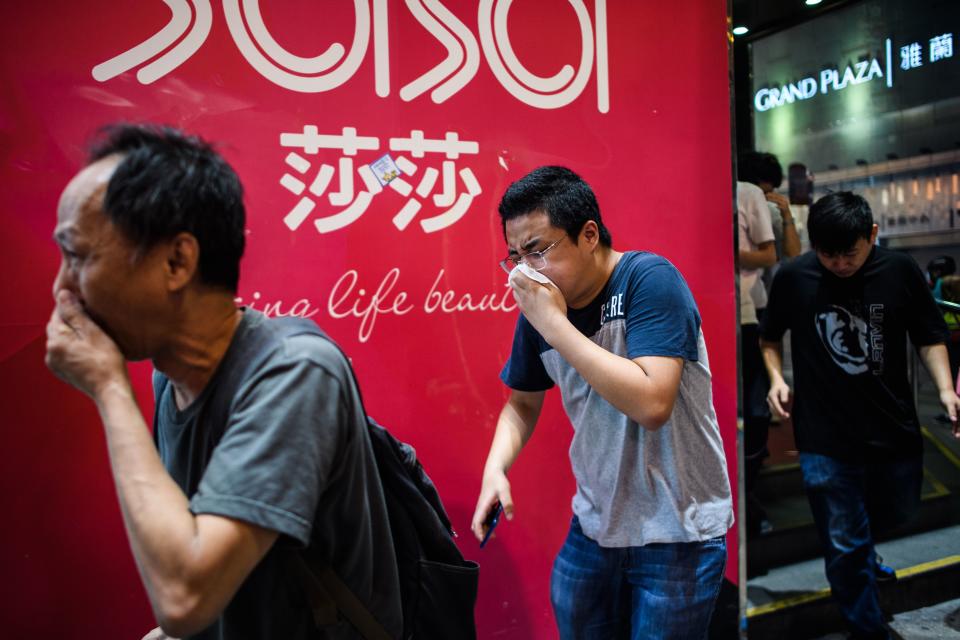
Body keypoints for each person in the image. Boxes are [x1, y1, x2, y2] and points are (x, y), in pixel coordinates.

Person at [44, 124, 402, 640]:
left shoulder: (295, 371)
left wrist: (108, 386)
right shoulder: (172, 379)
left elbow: (185, 596)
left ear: (177, 261)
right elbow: (205, 560)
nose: (62, 288)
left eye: (77, 256)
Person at [471, 166, 733, 639]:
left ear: (588, 234)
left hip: (677, 532)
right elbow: (522, 404)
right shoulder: (543, 310)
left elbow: (653, 402)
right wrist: (495, 469)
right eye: (515, 256)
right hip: (595, 525)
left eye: (538, 251)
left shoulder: (647, 279)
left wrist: (553, 325)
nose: (525, 271)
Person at [760, 191, 960, 639]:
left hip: (893, 428)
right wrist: (776, 378)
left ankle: (863, 552)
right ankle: (867, 629)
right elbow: (770, 337)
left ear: (871, 234)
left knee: (895, 512)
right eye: (828, 255)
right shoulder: (795, 277)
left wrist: (946, 389)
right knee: (845, 540)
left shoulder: (900, 270)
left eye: (849, 254)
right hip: (824, 436)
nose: (839, 264)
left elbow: (929, 335)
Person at [736, 179, 777, 537]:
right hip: (707, 310)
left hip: (745, 314)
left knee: (755, 413)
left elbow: (771, 253)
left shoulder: (745, 193)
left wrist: (726, 249)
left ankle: (748, 498)